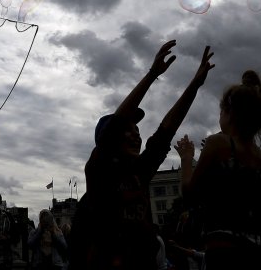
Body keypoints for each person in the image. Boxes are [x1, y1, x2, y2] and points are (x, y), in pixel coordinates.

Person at [71, 40, 215, 270]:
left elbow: (166, 130)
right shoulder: (99, 168)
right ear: (108, 140)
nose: (135, 135)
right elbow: (116, 124)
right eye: (127, 131)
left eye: (137, 130)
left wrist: (195, 85)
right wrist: (152, 75)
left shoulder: (140, 170)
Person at [174, 69, 261, 270]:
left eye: (221, 111)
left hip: (224, 248)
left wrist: (186, 160)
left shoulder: (218, 143)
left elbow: (190, 195)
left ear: (229, 114)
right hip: (260, 248)